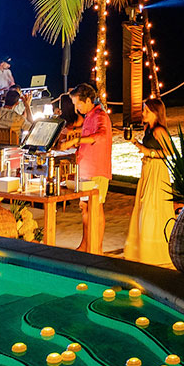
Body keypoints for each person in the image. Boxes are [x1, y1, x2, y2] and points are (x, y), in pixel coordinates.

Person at [123, 97, 173, 267]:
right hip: (147, 168)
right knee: (144, 205)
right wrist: (135, 143)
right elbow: (145, 149)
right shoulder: (148, 129)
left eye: (146, 111)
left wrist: (149, 152)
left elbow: (170, 153)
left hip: (157, 170)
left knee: (153, 207)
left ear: (155, 113)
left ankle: (156, 251)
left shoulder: (160, 131)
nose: (143, 113)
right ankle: (142, 249)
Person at [69, 84, 112, 254]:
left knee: (95, 207)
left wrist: (76, 141)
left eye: (77, 103)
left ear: (87, 100)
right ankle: (86, 244)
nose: (76, 107)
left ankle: (96, 247)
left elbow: (100, 135)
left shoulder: (100, 115)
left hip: (97, 170)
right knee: (84, 206)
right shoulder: (89, 116)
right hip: (87, 169)